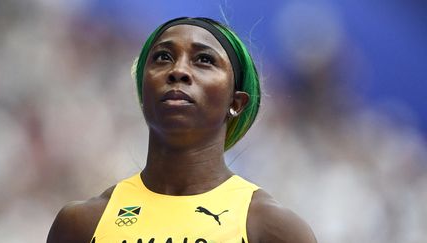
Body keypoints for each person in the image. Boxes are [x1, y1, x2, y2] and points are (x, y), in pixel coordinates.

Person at [47, 17, 317, 243]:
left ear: (235, 103)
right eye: (163, 57)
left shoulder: (272, 228)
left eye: (204, 60)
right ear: (143, 93)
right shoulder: (82, 224)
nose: (178, 70)